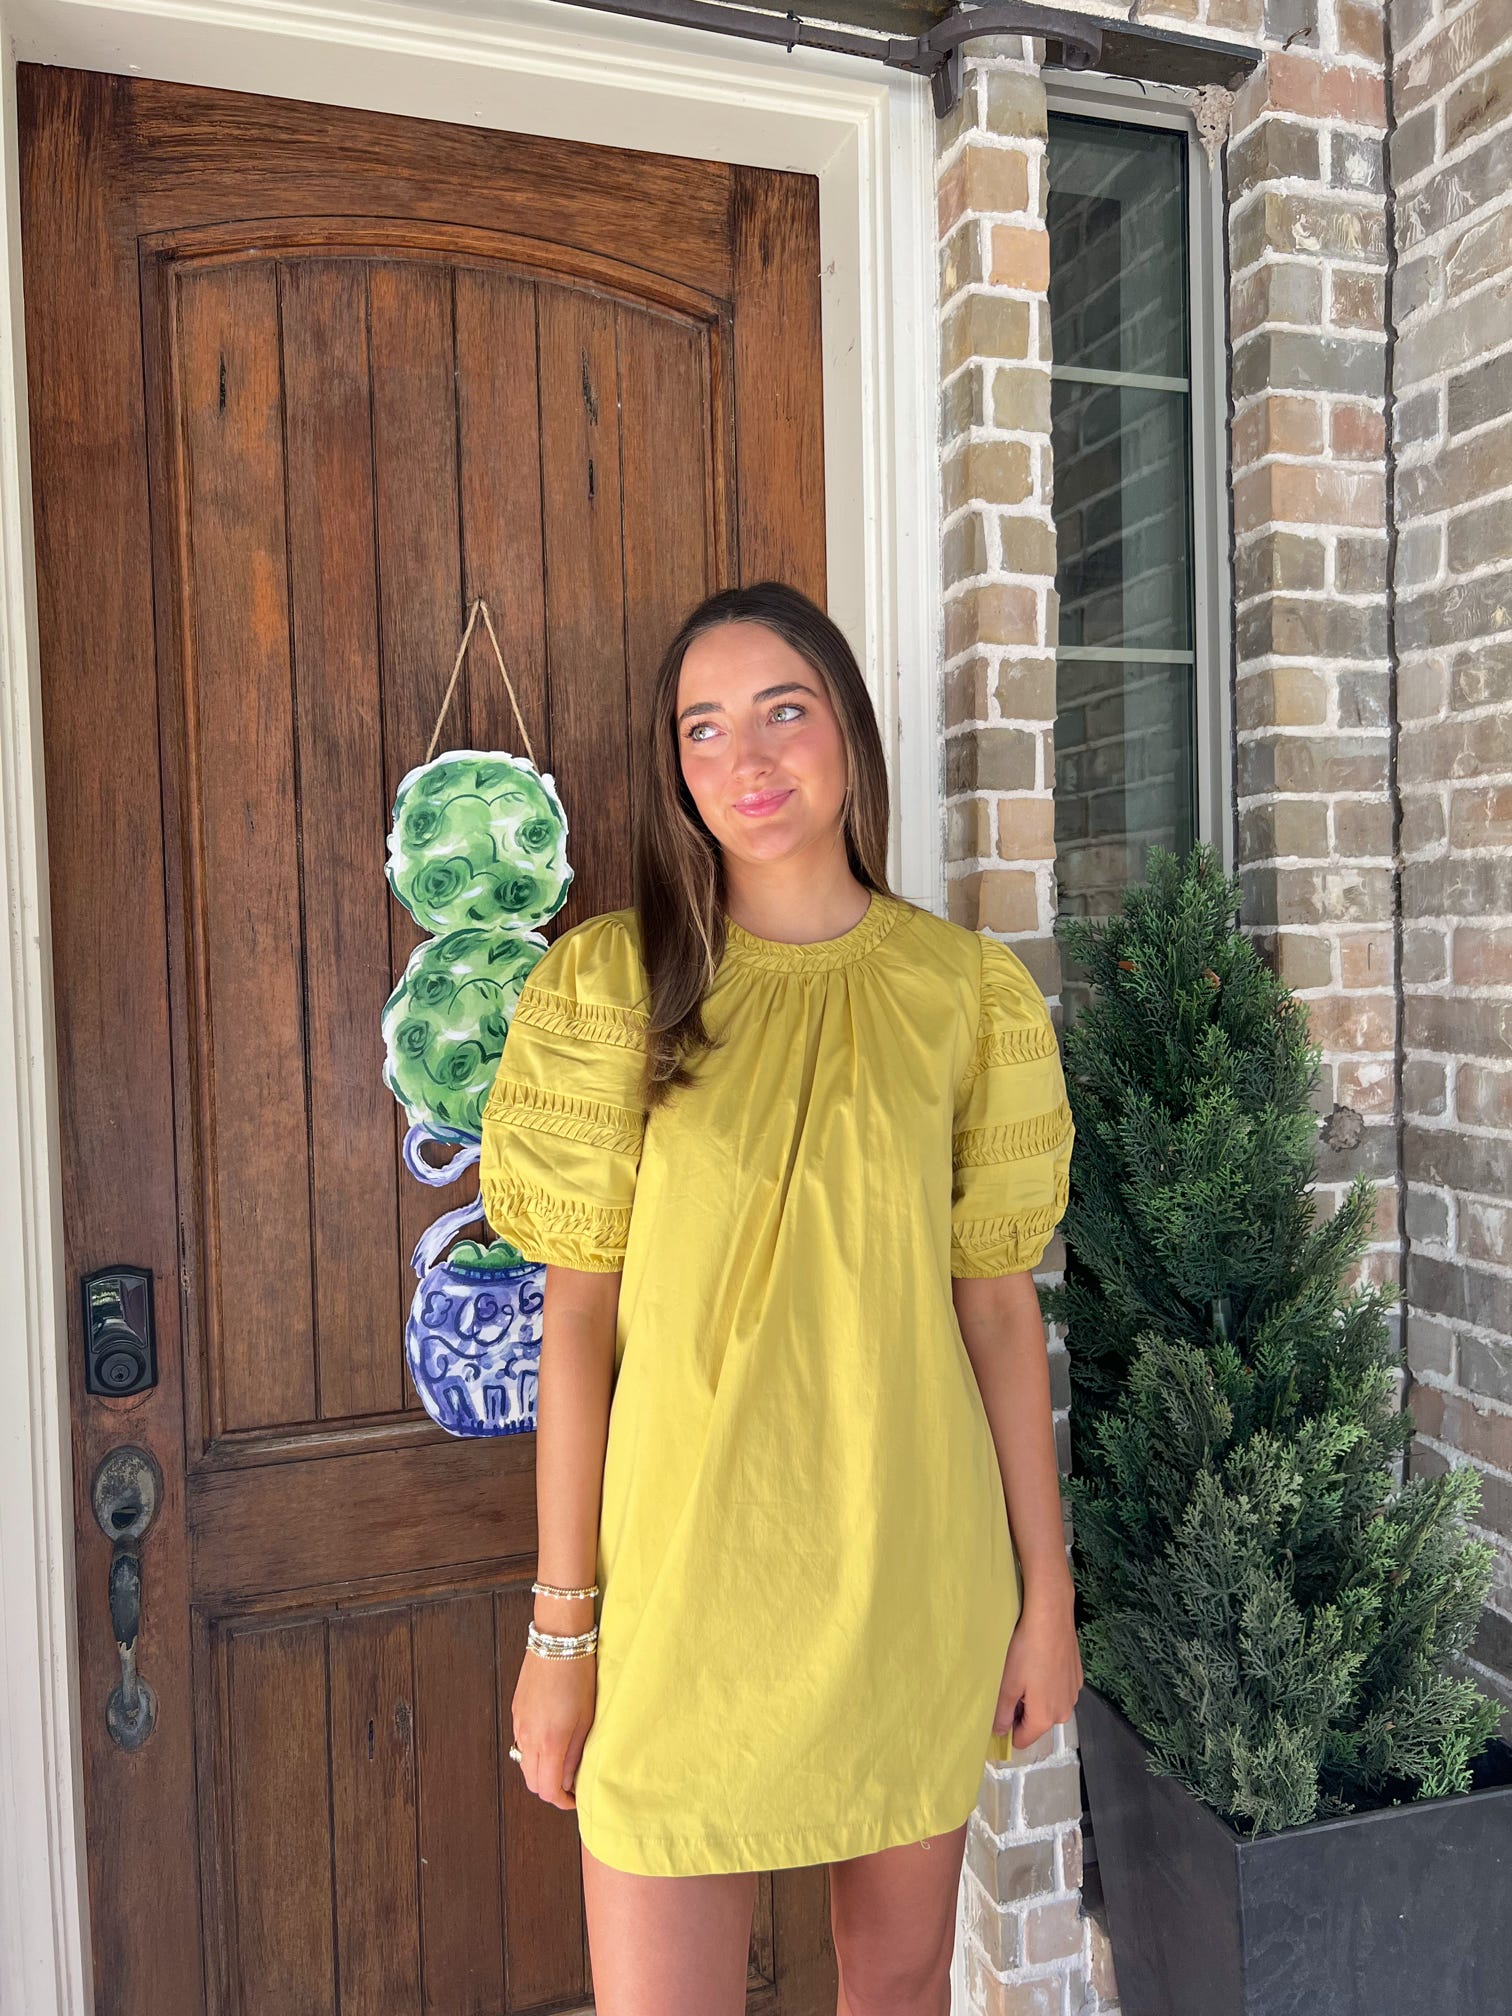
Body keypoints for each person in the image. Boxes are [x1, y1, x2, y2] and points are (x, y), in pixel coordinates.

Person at [480, 579, 1082, 2016]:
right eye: (703, 729)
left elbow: (997, 1316)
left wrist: (1046, 1595)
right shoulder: (614, 991)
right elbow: (577, 1335)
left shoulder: (965, 996)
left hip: (910, 1579)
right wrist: (563, 1634)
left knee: (900, 1985)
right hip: (684, 1602)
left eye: (782, 713)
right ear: (675, 769)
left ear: (851, 740)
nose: (744, 761)